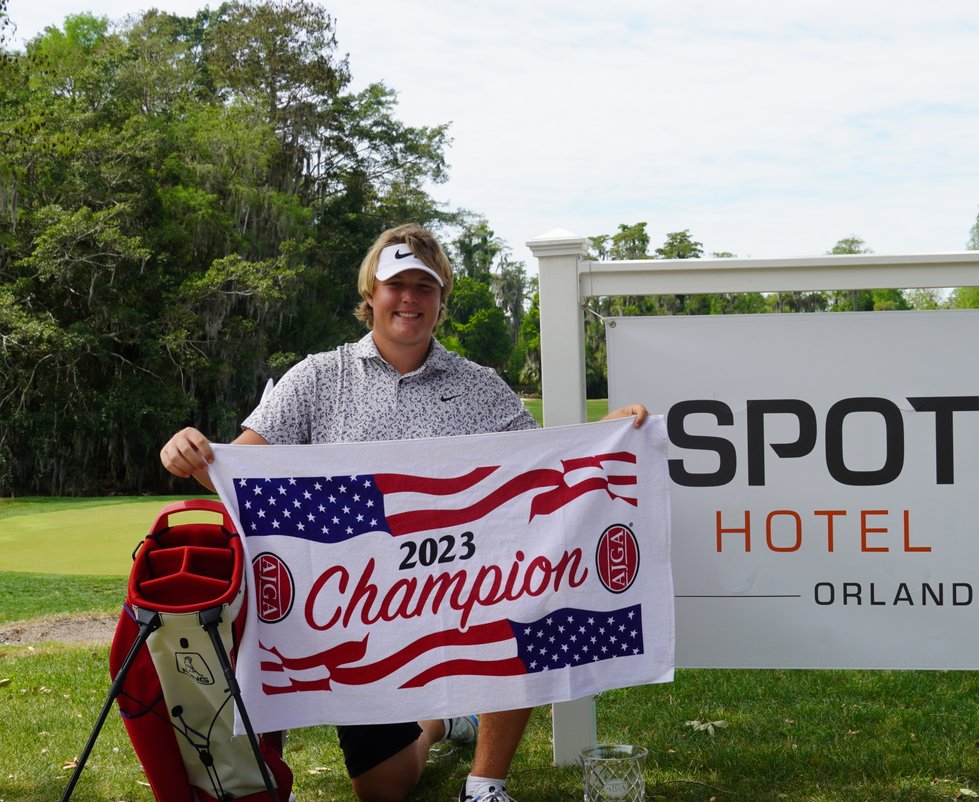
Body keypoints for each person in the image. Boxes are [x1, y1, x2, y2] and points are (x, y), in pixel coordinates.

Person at [161, 222, 648, 802]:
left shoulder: (481, 387)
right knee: (384, 790)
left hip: (462, 592)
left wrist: (608, 437)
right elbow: (242, 470)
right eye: (397, 285)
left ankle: (485, 784)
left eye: (425, 287)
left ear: (441, 301)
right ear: (371, 293)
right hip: (361, 610)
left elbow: (543, 471)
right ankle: (441, 722)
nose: (409, 299)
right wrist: (192, 454)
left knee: (527, 596)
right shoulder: (318, 377)